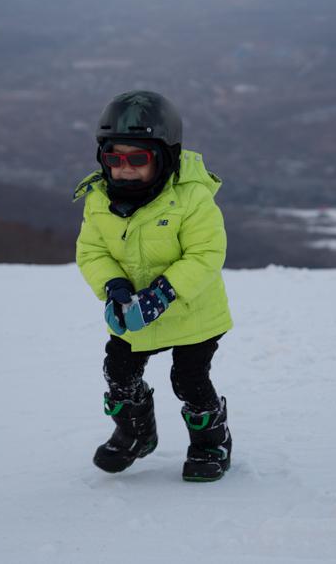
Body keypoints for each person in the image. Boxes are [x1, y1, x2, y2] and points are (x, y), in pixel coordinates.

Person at [73, 90, 233, 482]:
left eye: (137, 159)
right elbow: (92, 251)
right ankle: (136, 433)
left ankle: (211, 442)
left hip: (192, 312)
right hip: (133, 315)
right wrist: (113, 287)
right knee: (119, 372)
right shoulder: (98, 200)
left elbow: (206, 253)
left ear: (164, 157)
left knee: (189, 380)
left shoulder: (191, 197)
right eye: (114, 158)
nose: (124, 169)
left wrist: (165, 292)